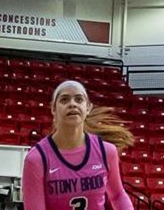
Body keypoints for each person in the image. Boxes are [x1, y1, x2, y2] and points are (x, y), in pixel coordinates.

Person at [22, 81, 133, 210]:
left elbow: (118, 195)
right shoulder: (37, 159)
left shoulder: (107, 151)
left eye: (79, 99)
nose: (72, 104)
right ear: (53, 108)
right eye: (64, 100)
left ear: (88, 108)